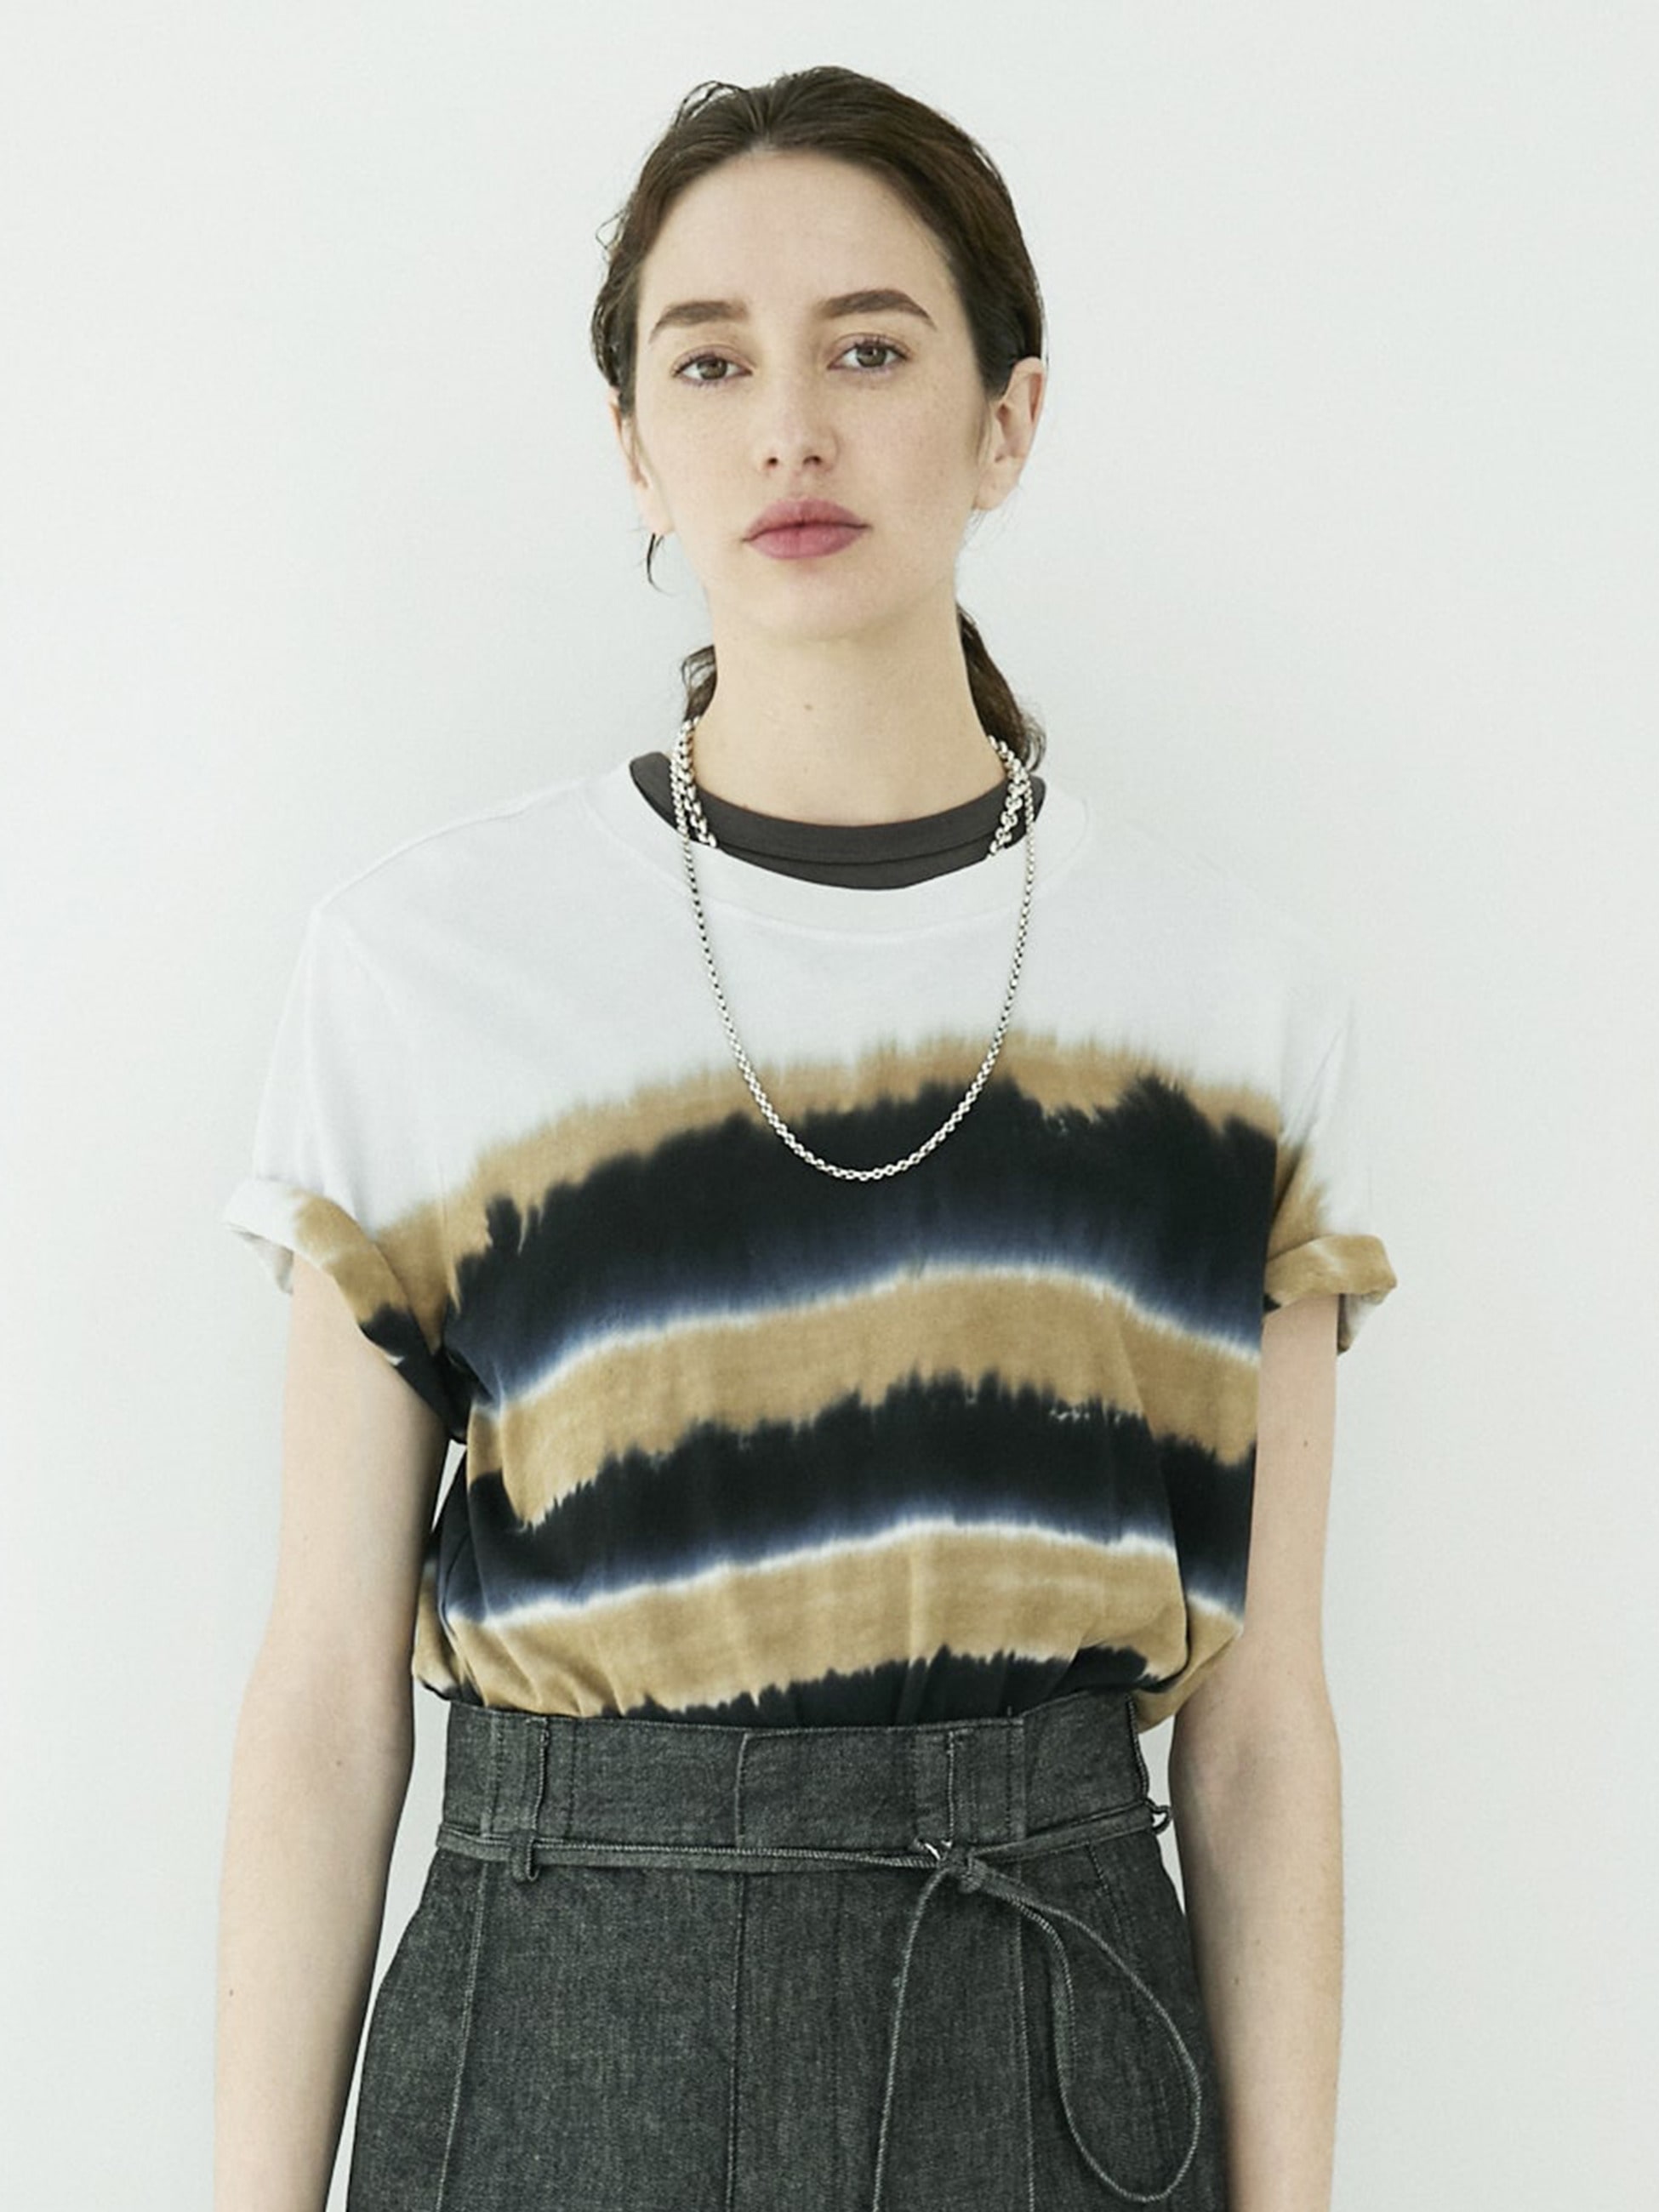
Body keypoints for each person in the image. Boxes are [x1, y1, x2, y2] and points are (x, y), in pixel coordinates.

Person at [214, 64, 1397, 2212]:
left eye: (869, 349)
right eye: (711, 360)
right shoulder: (423, 968)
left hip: (1052, 2039)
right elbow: (318, 1693)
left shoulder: (1229, 1006)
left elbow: (1261, 1723)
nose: (789, 427)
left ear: (1007, 419)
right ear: (633, 443)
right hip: (558, 2030)